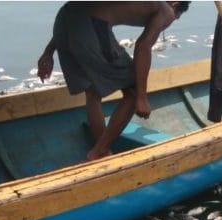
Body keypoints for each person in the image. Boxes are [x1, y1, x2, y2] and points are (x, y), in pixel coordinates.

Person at [37, 2, 190, 161]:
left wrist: (48, 52)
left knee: (93, 92)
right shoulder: (166, 10)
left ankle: (101, 152)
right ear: (176, 4)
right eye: (178, 14)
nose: (173, 19)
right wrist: (142, 97)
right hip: (90, 25)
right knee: (133, 91)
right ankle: (98, 151)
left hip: (64, 20)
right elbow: (143, 46)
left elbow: (76, 13)